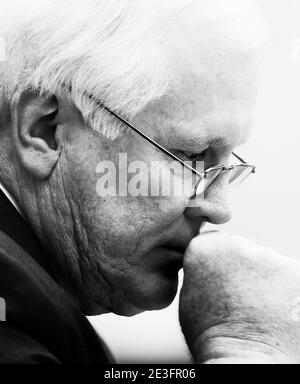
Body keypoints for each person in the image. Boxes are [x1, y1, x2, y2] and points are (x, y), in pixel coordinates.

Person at [0, 0, 300, 364]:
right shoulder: (12, 301)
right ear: (45, 130)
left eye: (226, 166)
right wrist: (249, 349)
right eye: (191, 155)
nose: (220, 209)